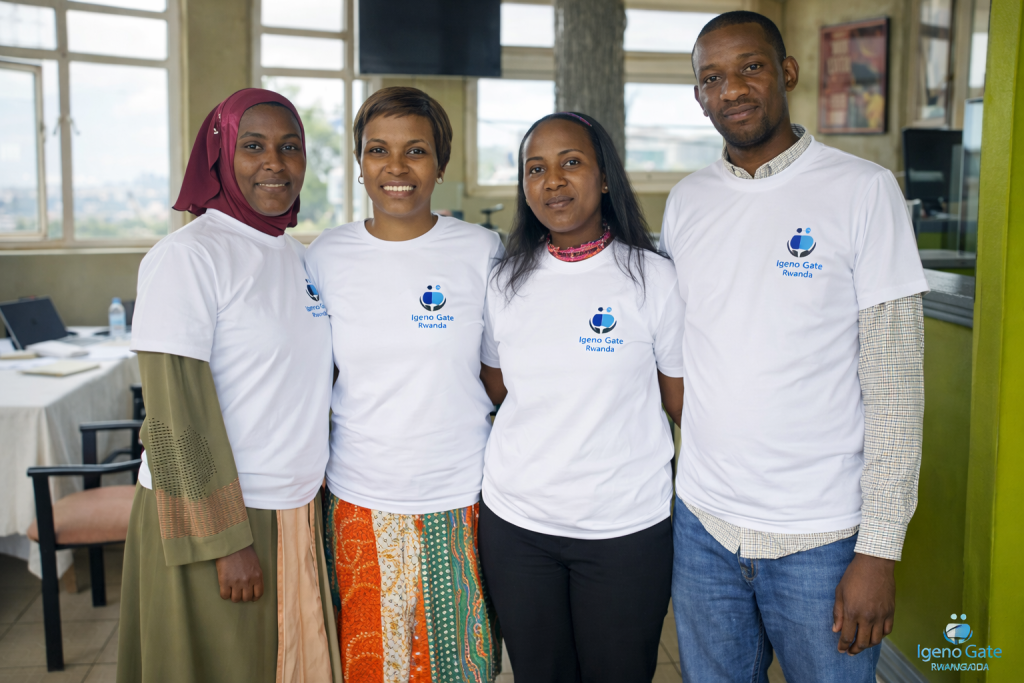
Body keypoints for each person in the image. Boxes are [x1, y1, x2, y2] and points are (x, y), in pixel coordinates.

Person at [660, 11, 928, 682]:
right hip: (704, 528)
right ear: (699, 96)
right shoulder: (687, 201)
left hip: (824, 538)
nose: (733, 89)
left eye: (750, 67)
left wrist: (880, 551)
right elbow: (683, 354)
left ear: (787, 72)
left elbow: (896, 384)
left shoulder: (864, 191)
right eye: (712, 77)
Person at [118, 89, 341, 683]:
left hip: (290, 507)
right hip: (216, 518)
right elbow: (172, 414)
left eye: (290, 147)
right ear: (219, 156)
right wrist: (224, 540)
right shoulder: (188, 257)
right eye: (253, 146)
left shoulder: (292, 254)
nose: (275, 162)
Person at [477, 111, 686, 683]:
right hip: (517, 525)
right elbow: (498, 386)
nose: (553, 181)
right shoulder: (504, 281)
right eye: (535, 168)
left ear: (605, 178)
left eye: (571, 163)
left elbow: (679, 401)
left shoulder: (652, 278)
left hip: (624, 529)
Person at [304, 87, 503, 682]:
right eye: (377, 150)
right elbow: (312, 375)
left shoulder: (481, 250)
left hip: (462, 496)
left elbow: (501, 375)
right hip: (361, 497)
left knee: (461, 669)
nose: (396, 166)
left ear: (441, 164)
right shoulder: (326, 256)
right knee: (375, 669)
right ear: (360, 164)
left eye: (415, 150)